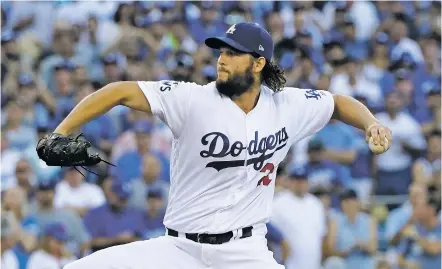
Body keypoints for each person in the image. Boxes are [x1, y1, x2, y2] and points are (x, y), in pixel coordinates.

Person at [45, 22, 391, 269]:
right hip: (179, 249)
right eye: (222, 51)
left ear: (258, 64)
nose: (222, 59)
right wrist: (60, 132)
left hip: (245, 252)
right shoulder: (191, 99)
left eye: (234, 53)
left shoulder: (288, 106)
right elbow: (119, 90)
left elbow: (337, 102)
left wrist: (371, 123)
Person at [271, 166, 328, 269]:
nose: (300, 184)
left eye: (303, 180)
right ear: (290, 181)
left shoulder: (316, 204)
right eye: (296, 180)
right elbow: (269, 234)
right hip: (287, 264)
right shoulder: (278, 202)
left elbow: (321, 235)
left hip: (313, 264)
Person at [328, 189, 378, 269]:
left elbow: (374, 248)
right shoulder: (335, 221)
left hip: (365, 263)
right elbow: (331, 250)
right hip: (343, 263)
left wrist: (363, 246)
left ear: (357, 202)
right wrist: (348, 250)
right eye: (343, 201)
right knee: (332, 262)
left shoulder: (369, 220)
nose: (345, 204)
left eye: (348, 201)